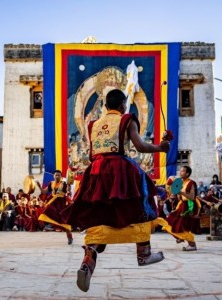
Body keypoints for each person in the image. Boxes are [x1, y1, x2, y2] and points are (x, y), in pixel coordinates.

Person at [63, 89, 171, 292]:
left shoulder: (93, 124)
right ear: (123, 105)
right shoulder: (127, 119)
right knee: (140, 201)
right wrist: (160, 148)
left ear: (105, 106)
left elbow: (91, 154)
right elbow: (139, 146)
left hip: (96, 169)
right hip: (120, 168)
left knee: (98, 213)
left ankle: (88, 261)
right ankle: (144, 253)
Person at [161, 166, 201, 251]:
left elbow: (192, 197)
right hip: (181, 204)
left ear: (187, 174)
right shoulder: (180, 182)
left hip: (189, 206)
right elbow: (176, 194)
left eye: (183, 171)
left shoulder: (191, 183)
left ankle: (192, 244)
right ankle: (179, 236)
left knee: (183, 225)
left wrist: (181, 192)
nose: (180, 172)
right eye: (181, 171)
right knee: (170, 221)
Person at [36, 170, 73, 245]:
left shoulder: (64, 184)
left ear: (61, 176)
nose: (57, 176)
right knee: (47, 210)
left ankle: (69, 237)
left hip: (61, 204)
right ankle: (50, 225)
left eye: (59, 175)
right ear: (53, 176)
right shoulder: (51, 183)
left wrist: (69, 189)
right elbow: (44, 192)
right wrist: (39, 186)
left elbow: (69, 193)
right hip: (53, 202)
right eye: (56, 175)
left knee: (64, 221)